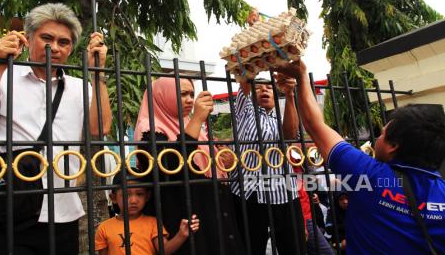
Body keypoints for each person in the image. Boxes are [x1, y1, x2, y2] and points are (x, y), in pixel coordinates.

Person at [272, 60, 445, 254]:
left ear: (393, 147)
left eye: (382, 134)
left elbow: (314, 125)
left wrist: (302, 76)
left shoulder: (368, 175)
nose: (377, 138)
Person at [0, 3, 112, 254]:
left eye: (64, 42)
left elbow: (100, 129)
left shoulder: (79, 86)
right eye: (46, 37)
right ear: (28, 39)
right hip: (6, 207)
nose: (55, 47)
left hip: (61, 210)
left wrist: (98, 73)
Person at [134, 77, 245, 254]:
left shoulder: (187, 123)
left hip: (211, 207)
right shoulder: (149, 127)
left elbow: (204, 162)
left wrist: (223, 159)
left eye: (192, 94)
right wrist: (198, 118)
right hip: (183, 211)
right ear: (163, 96)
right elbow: (170, 164)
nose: (190, 99)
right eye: (182, 94)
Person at [231, 73, 306, 255]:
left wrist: (289, 95)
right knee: (251, 248)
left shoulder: (282, 116)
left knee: (293, 248)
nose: (264, 89)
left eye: (269, 87)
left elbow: (290, 135)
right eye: (258, 87)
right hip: (249, 193)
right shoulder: (244, 110)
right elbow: (244, 81)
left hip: (283, 193)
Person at [95, 169, 199, 255]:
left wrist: (181, 235)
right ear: (113, 198)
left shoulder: (152, 223)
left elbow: (165, 250)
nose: (134, 200)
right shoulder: (104, 228)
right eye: (126, 195)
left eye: (139, 194)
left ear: (147, 196)